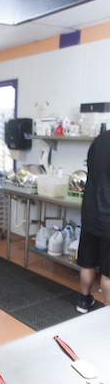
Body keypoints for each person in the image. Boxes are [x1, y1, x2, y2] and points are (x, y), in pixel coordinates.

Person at [76, 129, 110, 313]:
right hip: (108, 215)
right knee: (108, 272)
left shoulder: (100, 139)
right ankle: (107, 312)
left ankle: (84, 300)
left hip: (90, 209)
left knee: (87, 262)